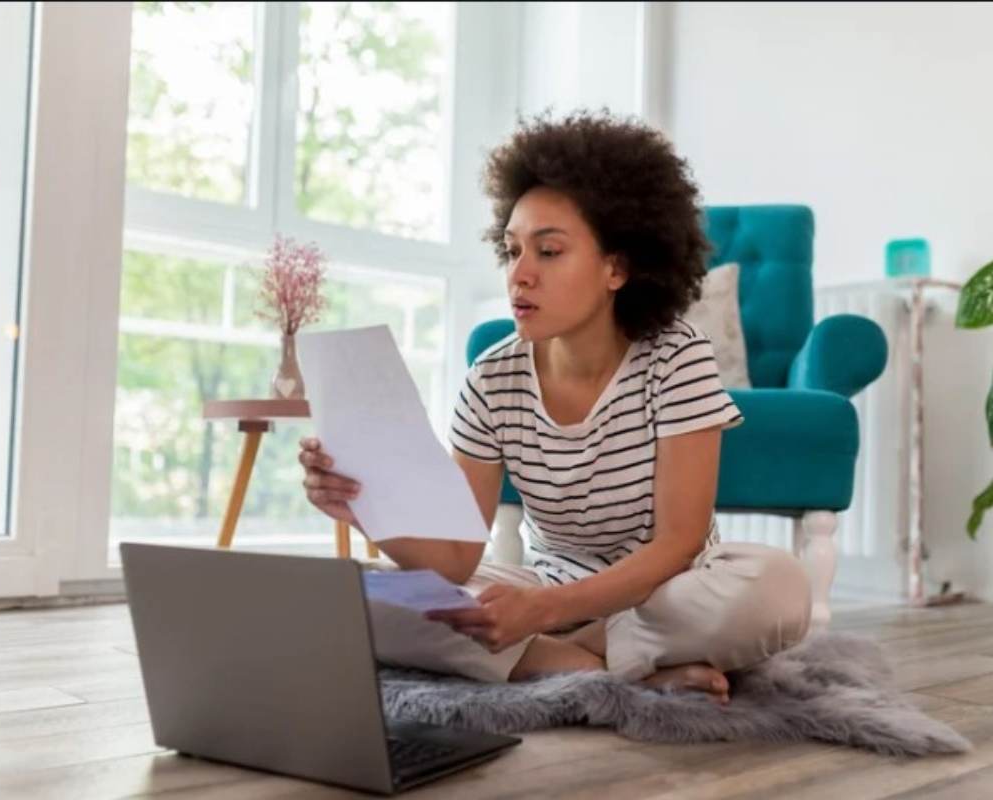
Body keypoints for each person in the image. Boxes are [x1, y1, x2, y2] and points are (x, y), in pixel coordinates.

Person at [298, 111, 811, 705]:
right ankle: (612, 670)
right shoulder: (491, 378)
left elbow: (679, 542)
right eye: (512, 250)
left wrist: (543, 611)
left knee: (777, 586)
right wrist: (363, 506)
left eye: (548, 251)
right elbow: (458, 556)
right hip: (541, 588)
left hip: (664, 596)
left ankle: (570, 654)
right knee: (360, 597)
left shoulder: (677, 358)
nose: (519, 275)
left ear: (616, 267)